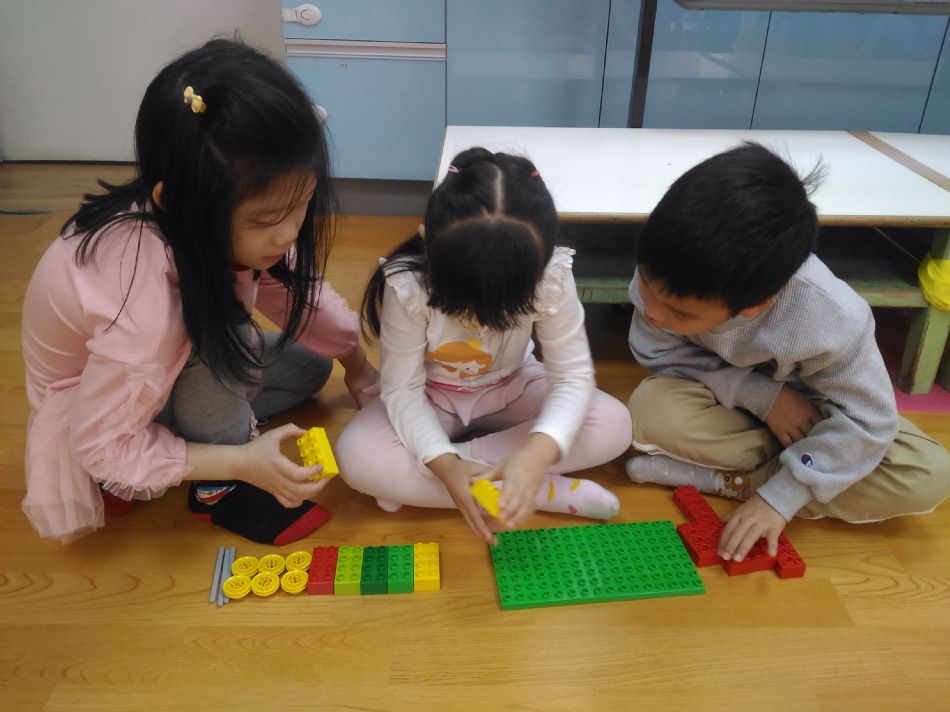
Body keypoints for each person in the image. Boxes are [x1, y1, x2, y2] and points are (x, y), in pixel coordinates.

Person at [21, 39, 377, 544]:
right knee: (232, 339)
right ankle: (215, 489)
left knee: (313, 366)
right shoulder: (141, 310)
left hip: (150, 379)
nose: (289, 232)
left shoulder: (208, 214)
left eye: (302, 202)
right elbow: (96, 443)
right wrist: (240, 461)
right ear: (181, 202)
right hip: (98, 419)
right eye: (266, 219)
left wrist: (358, 367)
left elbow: (298, 297)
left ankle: (190, 442)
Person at [624, 142, 950, 563]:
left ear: (755, 304)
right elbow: (660, 354)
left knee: (930, 473)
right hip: (731, 403)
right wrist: (766, 397)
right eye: (645, 284)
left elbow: (869, 421)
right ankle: (787, 473)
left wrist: (783, 496)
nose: (652, 312)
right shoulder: (667, 271)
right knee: (647, 410)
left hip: (818, 416)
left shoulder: (833, 316)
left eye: (680, 313)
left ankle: (736, 482)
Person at [335, 148, 632, 542]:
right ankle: (540, 490)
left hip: (515, 385)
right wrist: (444, 464)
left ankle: (456, 481)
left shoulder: (551, 275)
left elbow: (572, 377)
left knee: (614, 423)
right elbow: (402, 390)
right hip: (431, 396)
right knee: (356, 456)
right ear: (430, 245)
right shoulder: (408, 285)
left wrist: (537, 452)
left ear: (543, 255)